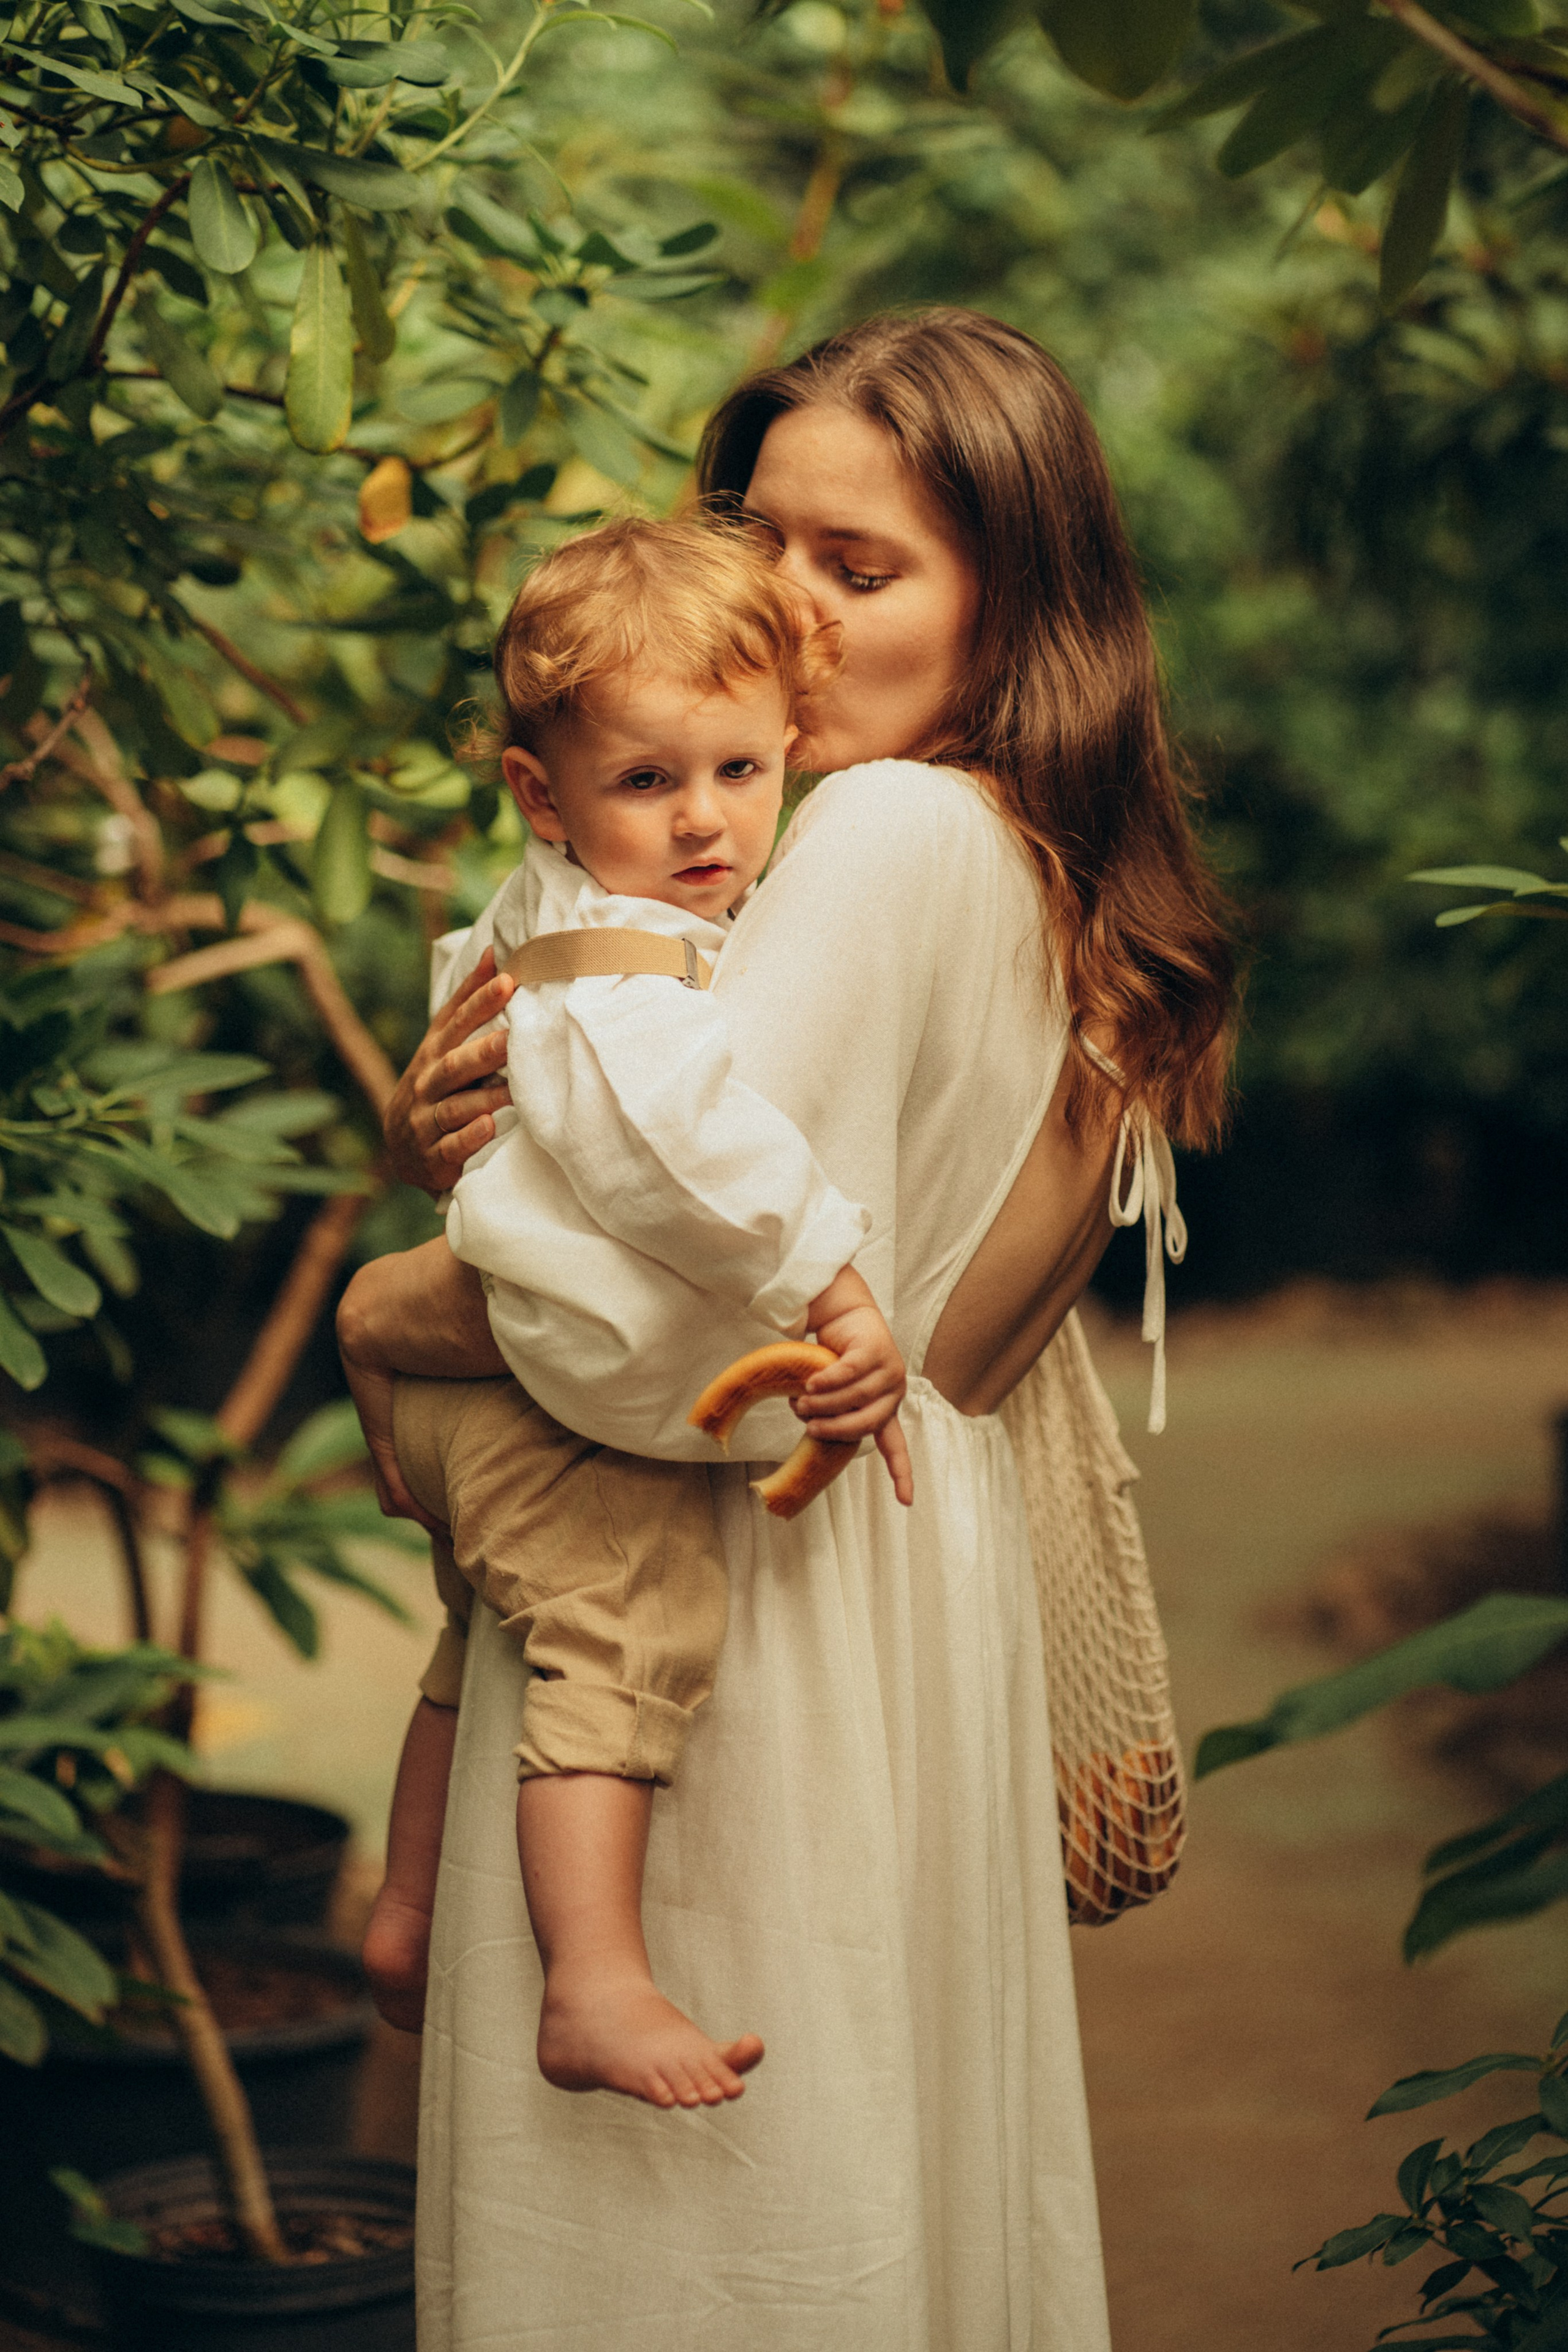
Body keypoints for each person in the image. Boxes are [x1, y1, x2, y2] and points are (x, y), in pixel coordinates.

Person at [364, 309, 1235, 2351]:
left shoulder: (888, 833)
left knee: (695, 2257)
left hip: (753, 1598)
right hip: (863, 1577)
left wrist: (400, 1294)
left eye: (866, 568)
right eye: (767, 545)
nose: (796, 614)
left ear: (1018, 608)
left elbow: (659, 1346)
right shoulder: (986, 852)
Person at [338, 519, 913, 2112]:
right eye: (649, 784)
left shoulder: (545, 912)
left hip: (481, 1358)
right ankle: (592, 1981)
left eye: (739, 771)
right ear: (543, 794)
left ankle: (406, 1916)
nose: (708, 821)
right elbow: (687, 1154)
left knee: (482, 1641)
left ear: (789, 742)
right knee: (623, 1631)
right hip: (539, 1377)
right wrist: (831, 1275)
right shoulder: (624, 974)